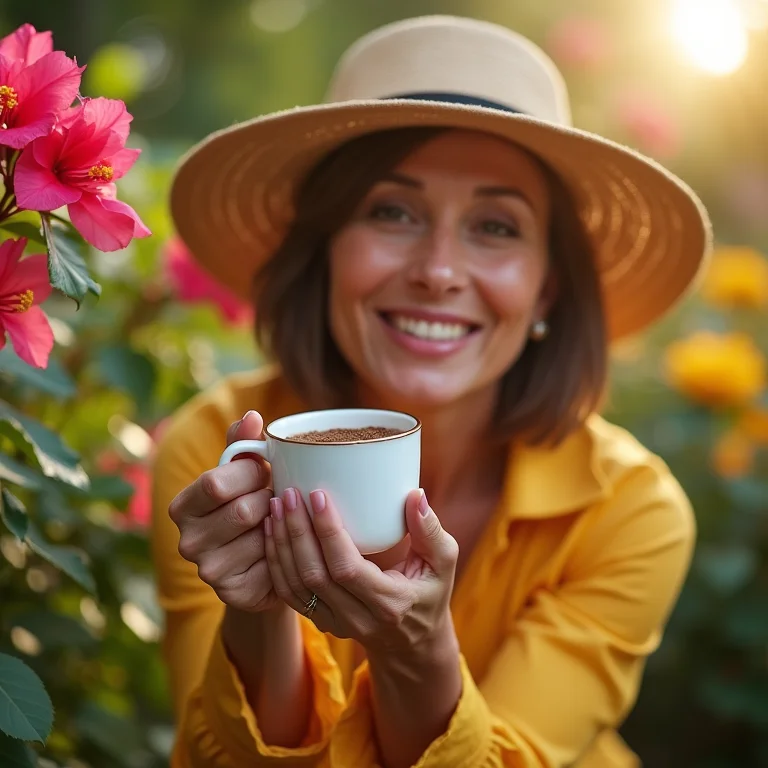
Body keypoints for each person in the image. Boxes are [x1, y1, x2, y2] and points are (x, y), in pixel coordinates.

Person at [151, 14, 711, 768]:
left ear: (547, 290)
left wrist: (417, 652)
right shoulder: (216, 456)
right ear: (323, 254)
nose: (439, 270)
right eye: (392, 211)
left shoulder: (630, 509)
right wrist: (256, 616)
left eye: (496, 227)